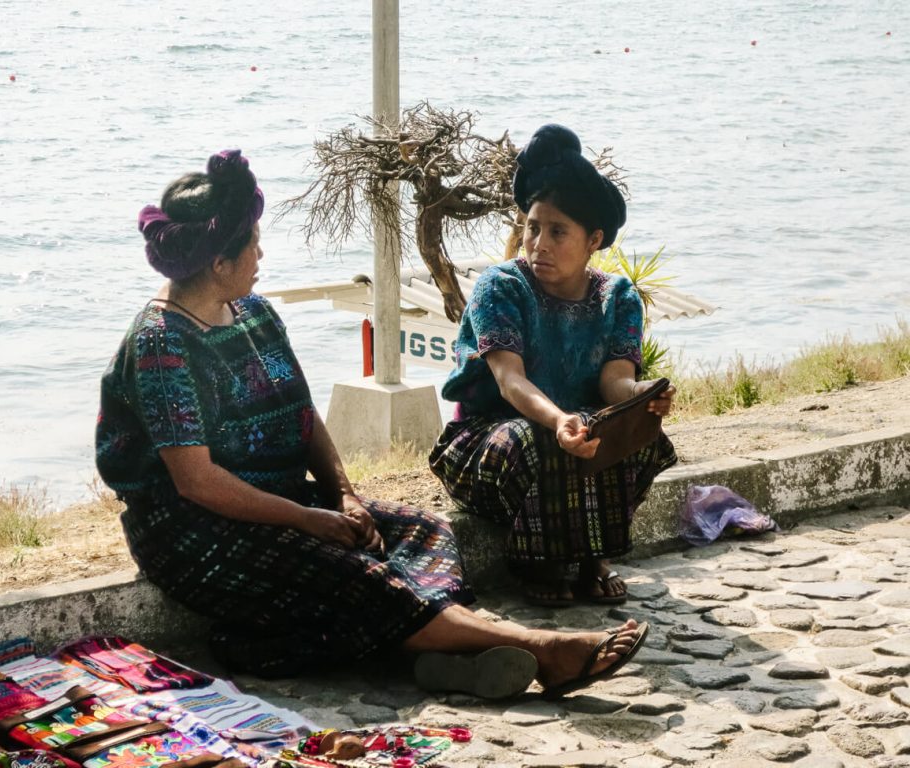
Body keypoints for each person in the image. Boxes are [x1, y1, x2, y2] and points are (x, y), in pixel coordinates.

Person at [95, 148, 648, 700]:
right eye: (254, 243)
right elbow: (197, 482)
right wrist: (308, 519)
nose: (261, 253)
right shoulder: (161, 343)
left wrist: (344, 495)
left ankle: (431, 651)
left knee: (424, 531)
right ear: (218, 262)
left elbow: (302, 414)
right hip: (194, 529)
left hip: (282, 497)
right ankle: (538, 649)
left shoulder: (254, 313)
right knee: (355, 573)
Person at [429, 124, 678, 607]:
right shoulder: (501, 287)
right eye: (533, 228)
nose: (538, 243)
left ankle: (591, 559)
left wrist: (643, 395)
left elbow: (614, 382)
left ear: (594, 240)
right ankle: (536, 561)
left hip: (577, 431)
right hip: (487, 441)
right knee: (534, 437)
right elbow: (509, 379)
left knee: (643, 439)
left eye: (557, 231)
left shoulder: (618, 298)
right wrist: (560, 420)